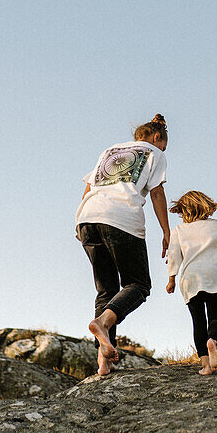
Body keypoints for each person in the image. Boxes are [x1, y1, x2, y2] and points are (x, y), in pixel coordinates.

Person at [76, 114, 171, 376]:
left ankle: (104, 361)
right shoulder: (155, 152)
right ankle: (104, 322)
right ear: (156, 137)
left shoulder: (111, 150)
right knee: (138, 285)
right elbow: (157, 192)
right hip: (120, 218)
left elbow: (89, 186)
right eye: (164, 144)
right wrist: (166, 230)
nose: (163, 149)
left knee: (106, 290)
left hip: (87, 217)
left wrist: (81, 222)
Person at [165, 190, 217, 375]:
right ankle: (213, 341)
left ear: (183, 210)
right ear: (207, 206)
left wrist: (171, 279)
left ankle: (205, 366)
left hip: (191, 279)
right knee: (215, 317)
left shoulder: (179, 230)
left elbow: (173, 256)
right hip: (214, 277)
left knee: (198, 322)